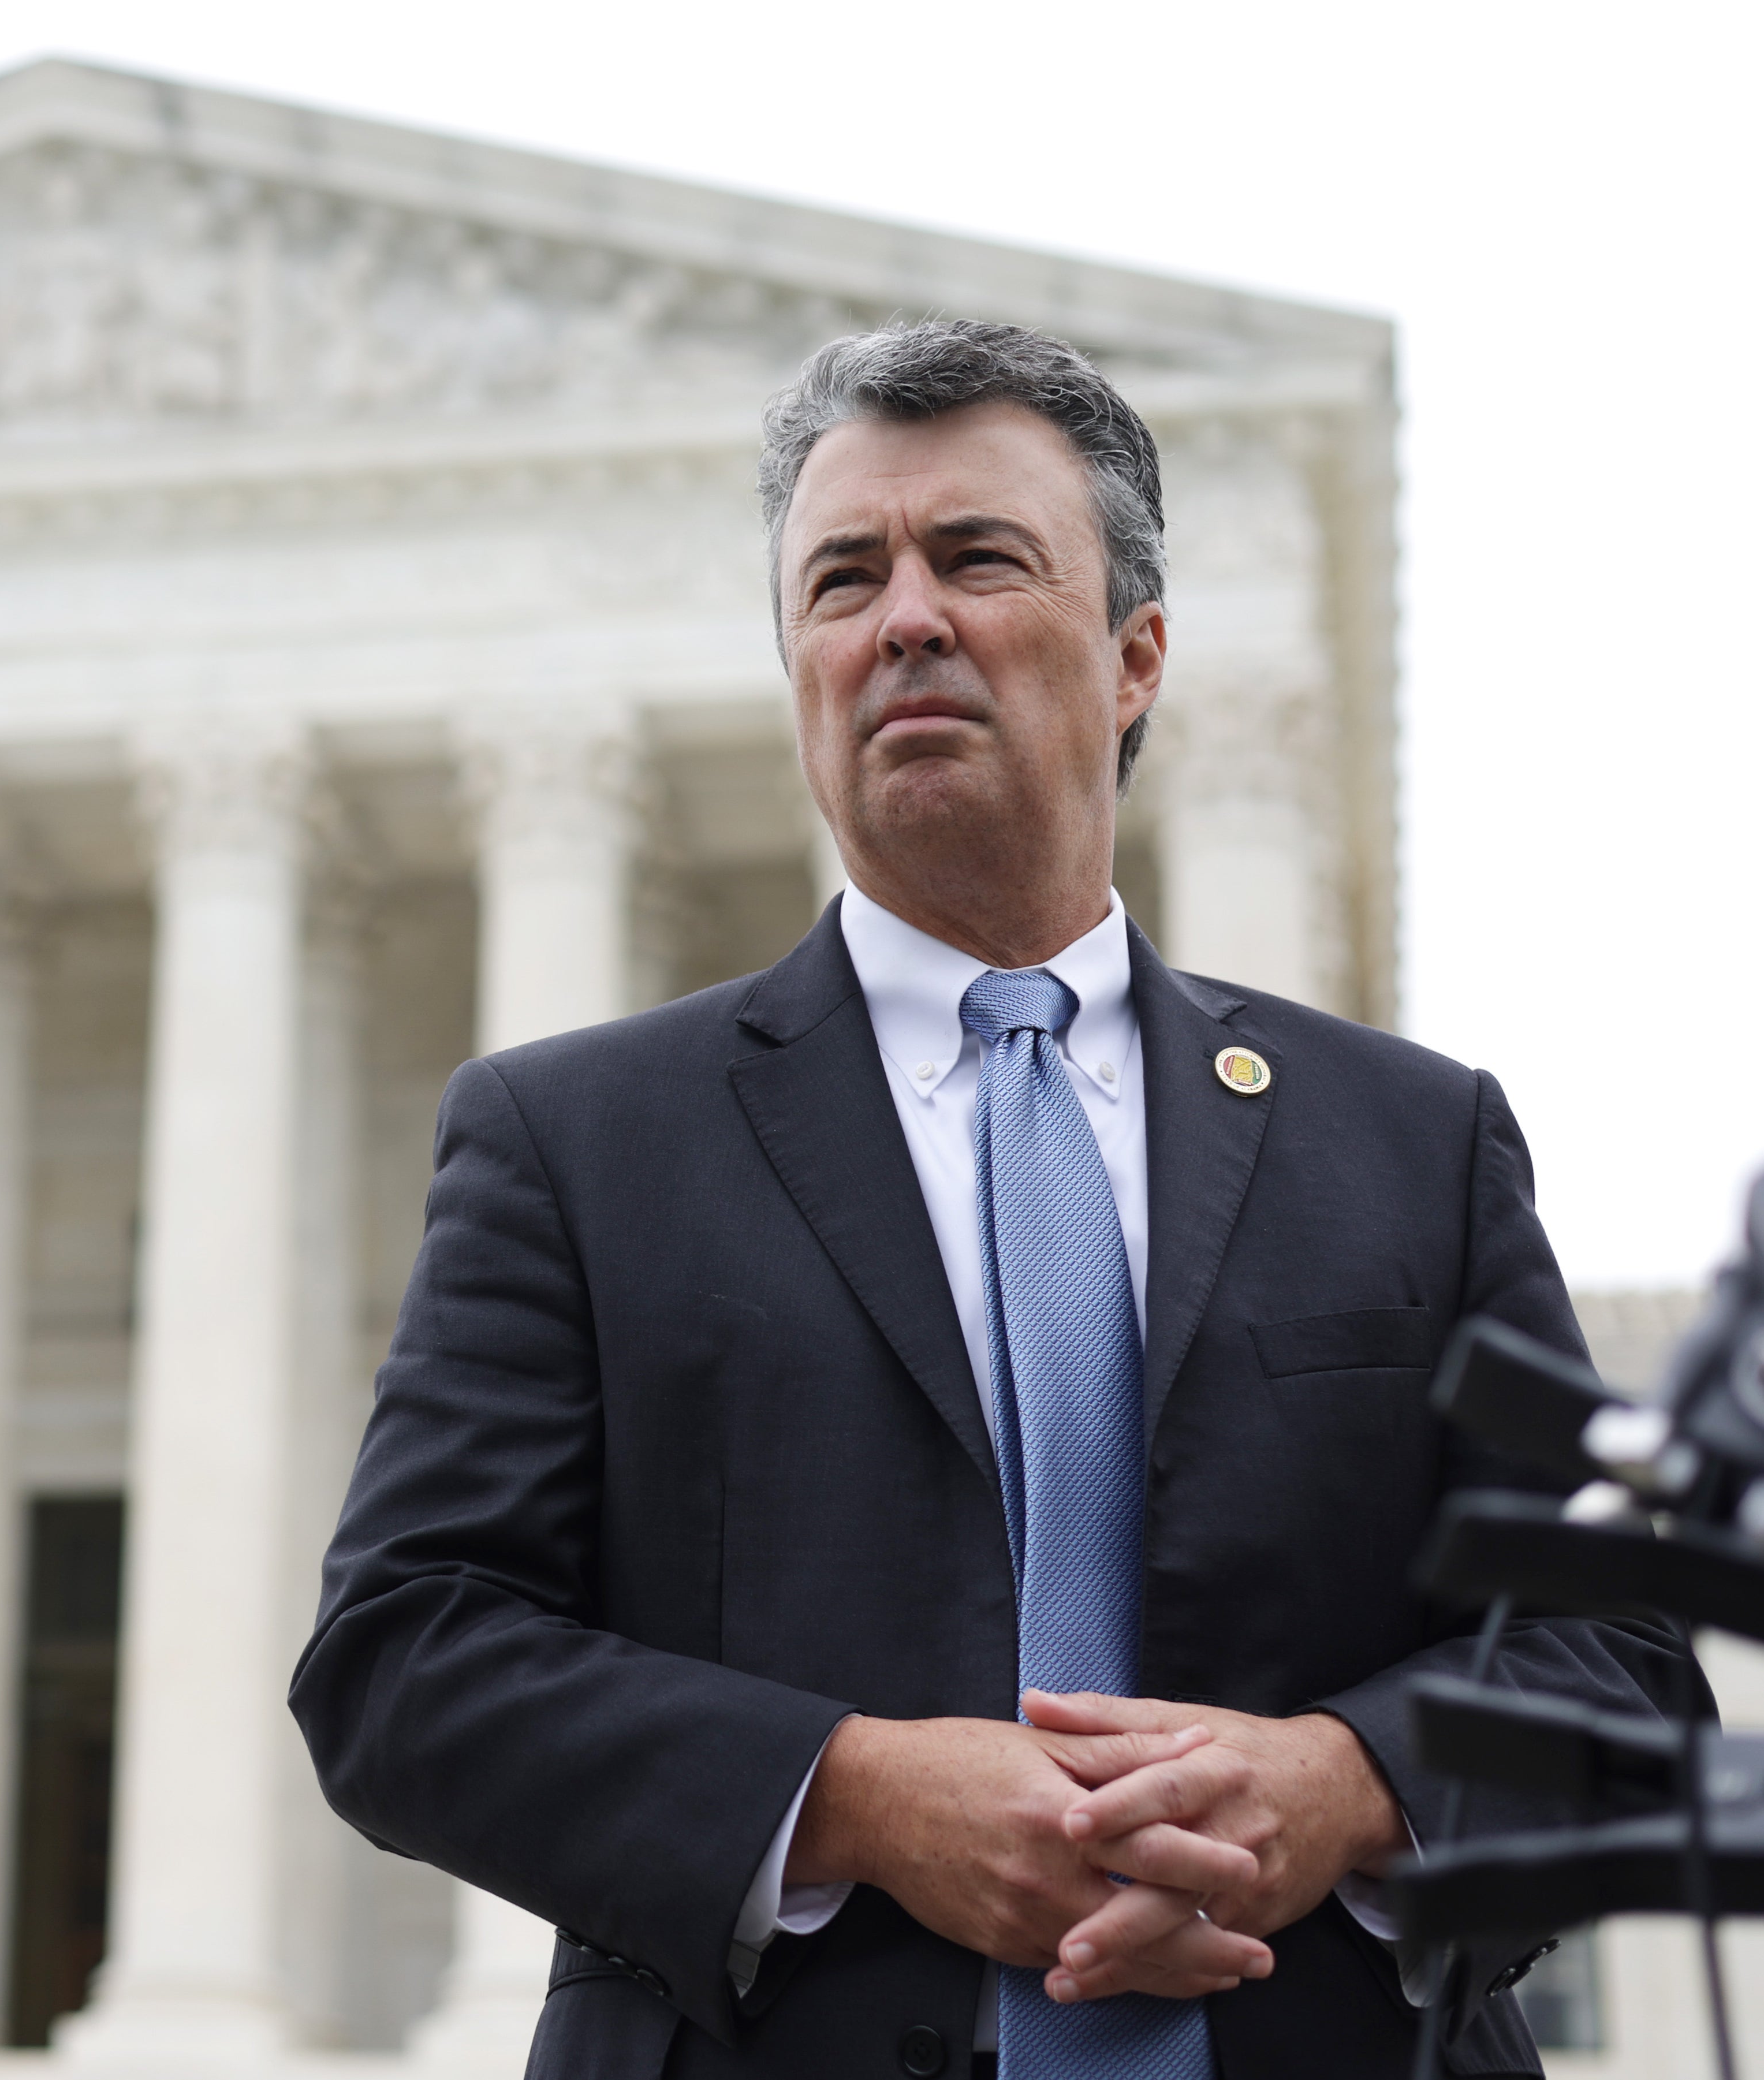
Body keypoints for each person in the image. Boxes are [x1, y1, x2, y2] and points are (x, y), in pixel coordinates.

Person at [290, 320, 1698, 2079]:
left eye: (977, 557)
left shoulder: (1413, 1140)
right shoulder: (573, 1141)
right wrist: (853, 1792)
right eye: (843, 578)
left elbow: (1626, 1660)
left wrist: (1346, 1787)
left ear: (1137, 658)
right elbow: (402, 1661)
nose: (904, 620)